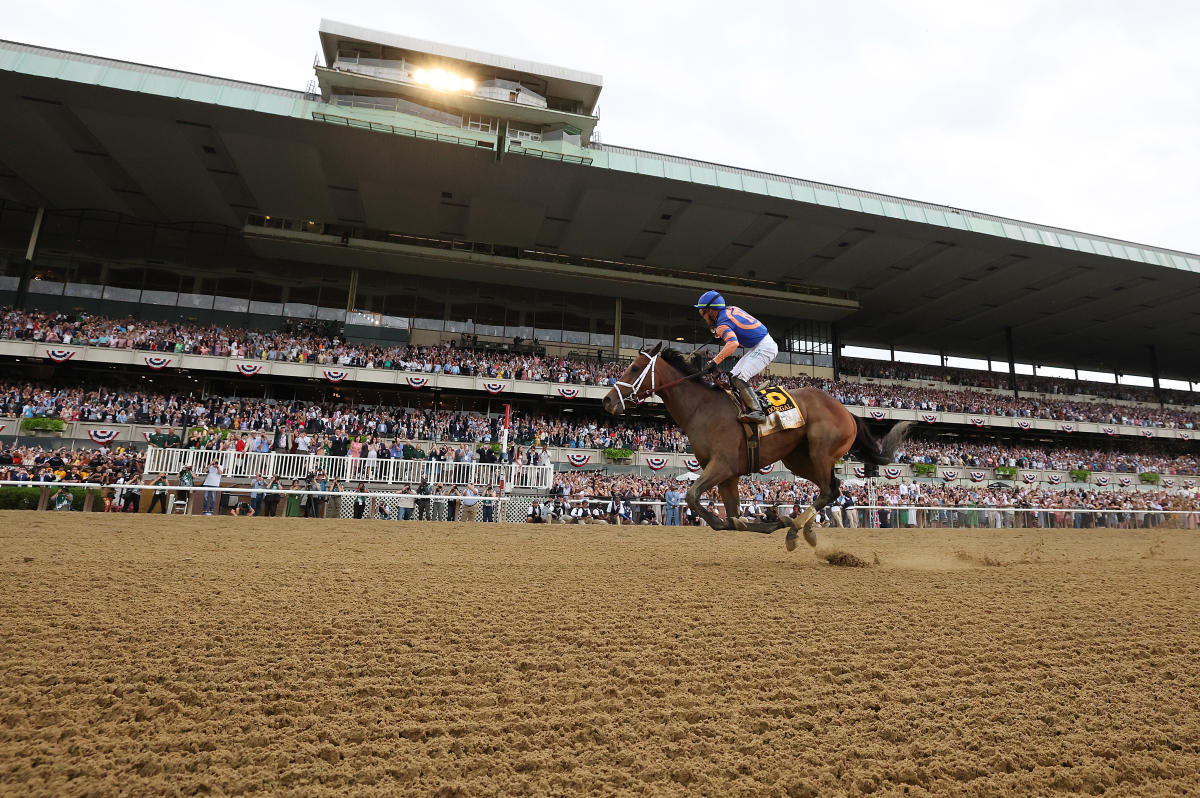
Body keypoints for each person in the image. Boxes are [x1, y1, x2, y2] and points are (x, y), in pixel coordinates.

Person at [693, 290, 778, 423]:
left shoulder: (722, 324)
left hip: (765, 347)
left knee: (738, 378)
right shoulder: (730, 309)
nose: (703, 316)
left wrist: (714, 362)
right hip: (761, 344)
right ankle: (751, 401)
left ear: (710, 310)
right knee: (733, 377)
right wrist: (719, 333)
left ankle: (758, 412)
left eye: (702, 312)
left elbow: (733, 343)